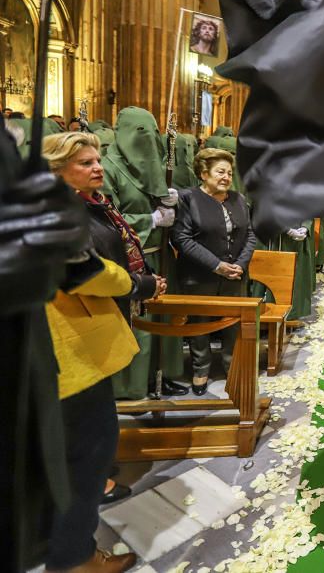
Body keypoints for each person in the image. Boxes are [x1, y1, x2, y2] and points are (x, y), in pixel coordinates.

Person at [42, 131, 172, 502]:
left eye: (97, 160)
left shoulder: (85, 202)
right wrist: (138, 284)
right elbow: (88, 271)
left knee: (93, 408)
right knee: (85, 414)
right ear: (57, 169)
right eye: (85, 163)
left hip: (84, 320)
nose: (98, 167)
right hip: (67, 328)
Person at [0, 126, 93, 573]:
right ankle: (72, 555)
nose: (98, 169)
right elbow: (78, 271)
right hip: (59, 337)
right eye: (86, 163)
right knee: (79, 447)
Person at [44, 252, 140, 573]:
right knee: (85, 457)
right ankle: (76, 559)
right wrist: (127, 280)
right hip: (60, 353)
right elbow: (80, 269)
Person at [101, 107, 186, 400]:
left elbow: (167, 205)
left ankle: (162, 373)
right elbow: (106, 217)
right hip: (131, 259)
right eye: (140, 132)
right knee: (139, 323)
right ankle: (133, 383)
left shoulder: (157, 164)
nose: (147, 139)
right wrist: (150, 219)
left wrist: (174, 201)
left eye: (151, 132)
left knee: (163, 318)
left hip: (159, 254)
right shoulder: (108, 167)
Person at [172, 148, 256, 395]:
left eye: (229, 173)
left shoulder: (239, 199)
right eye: (220, 172)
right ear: (203, 173)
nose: (226, 177)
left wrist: (240, 264)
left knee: (233, 324)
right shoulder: (189, 199)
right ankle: (201, 370)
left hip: (235, 274)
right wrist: (216, 265)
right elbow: (182, 239)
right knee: (200, 324)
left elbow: (249, 234)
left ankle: (232, 368)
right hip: (200, 275)